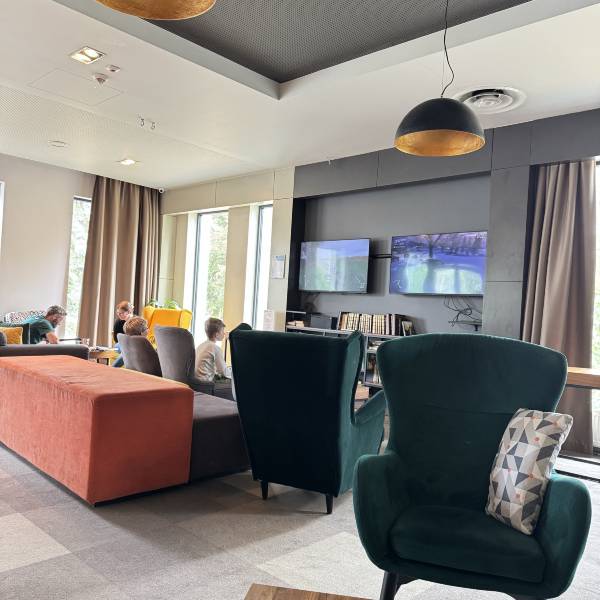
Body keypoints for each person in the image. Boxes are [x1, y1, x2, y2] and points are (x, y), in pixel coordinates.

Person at [195, 317, 230, 382]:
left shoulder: (200, 346)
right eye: (222, 331)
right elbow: (224, 372)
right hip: (205, 383)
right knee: (233, 382)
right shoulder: (215, 348)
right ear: (216, 334)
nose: (224, 333)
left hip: (196, 381)